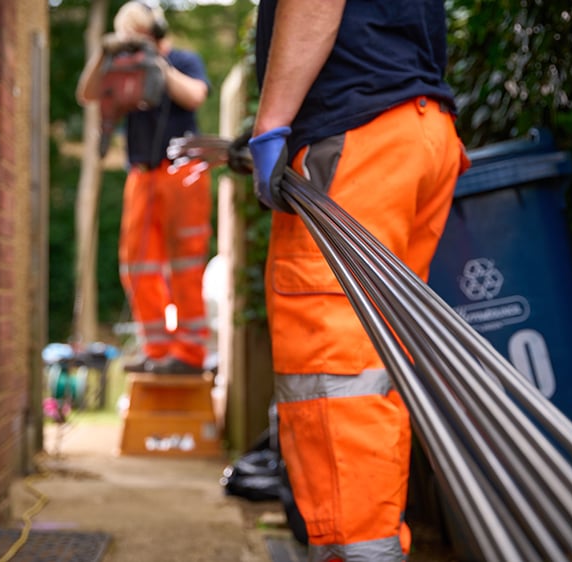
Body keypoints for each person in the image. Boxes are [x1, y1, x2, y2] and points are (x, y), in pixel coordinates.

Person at [247, 1, 470, 560]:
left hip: (356, 142)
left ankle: (358, 552)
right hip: (419, 128)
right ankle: (375, 544)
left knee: (336, 374)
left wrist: (271, 122)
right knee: (377, 368)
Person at [77, 1, 212, 375]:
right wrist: (106, 54)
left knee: (185, 264)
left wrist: (158, 65)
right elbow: (87, 94)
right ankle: (157, 350)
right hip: (141, 176)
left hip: (183, 172)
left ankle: (188, 354)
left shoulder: (182, 61)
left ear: (156, 32)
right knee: (137, 265)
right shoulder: (123, 70)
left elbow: (195, 95)